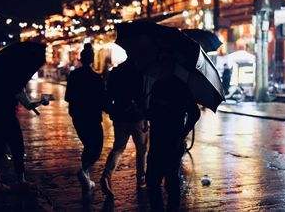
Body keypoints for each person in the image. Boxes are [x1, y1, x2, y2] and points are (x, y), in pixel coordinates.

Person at [145, 54, 201, 212]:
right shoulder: (156, 86)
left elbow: (195, 113)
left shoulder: (180, 87)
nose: (162, 69)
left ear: (171, 67)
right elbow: (153, 113)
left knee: (171, 182)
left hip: (172, 142)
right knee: (152, 181)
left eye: (165, 66)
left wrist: (183, 134)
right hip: (156, 141)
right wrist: (144, 112)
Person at [100, 59, 148, 197]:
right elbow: (143, 96)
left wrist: (112, 111)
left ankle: (106, 175)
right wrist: (146, 116)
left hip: (120, 115)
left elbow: (107, 95)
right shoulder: (141, 72)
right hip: (137, 116)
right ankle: (141, 180)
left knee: (118, 148)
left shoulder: (116, 71)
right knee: (141, 149)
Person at [65, 43, 106, 193]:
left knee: (88, 145)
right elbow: (103, 100)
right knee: (96, 146)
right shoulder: (96, 78)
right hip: (93, 117)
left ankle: (86, 177)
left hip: (78, 116)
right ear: (92, 59)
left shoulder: (73, 76)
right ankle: (84, 171)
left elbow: (68, 97)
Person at [0, 89, 48, 190]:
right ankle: (21, 181)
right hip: (10, 120)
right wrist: (41, 101)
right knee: (18, 149)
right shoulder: (15, 85)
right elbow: (28, 105)